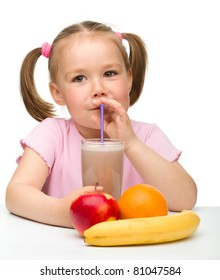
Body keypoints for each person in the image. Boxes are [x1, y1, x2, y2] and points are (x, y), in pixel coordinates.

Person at [5, 20, 197, 228]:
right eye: (79, 78)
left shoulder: (146, 136)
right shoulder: (53, 134)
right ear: (58, 93)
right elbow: (16, 194)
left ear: (129, 78)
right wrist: (62, 211)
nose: (98, 89)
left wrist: (131, 144)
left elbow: (185, 199)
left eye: (110, 74)